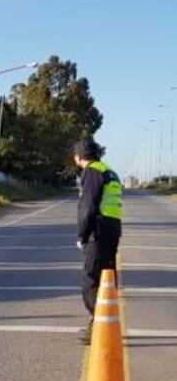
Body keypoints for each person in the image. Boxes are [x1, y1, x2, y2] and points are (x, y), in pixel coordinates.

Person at [75, 138, 122, 344]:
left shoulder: (92, 171)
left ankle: (100, 326)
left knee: (90, 279)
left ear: (78, 157)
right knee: (107, 278)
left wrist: (82, 235)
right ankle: (106, 322)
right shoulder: (109, 170)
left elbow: (88, 207)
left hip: (98, 231)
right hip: (112, 229)